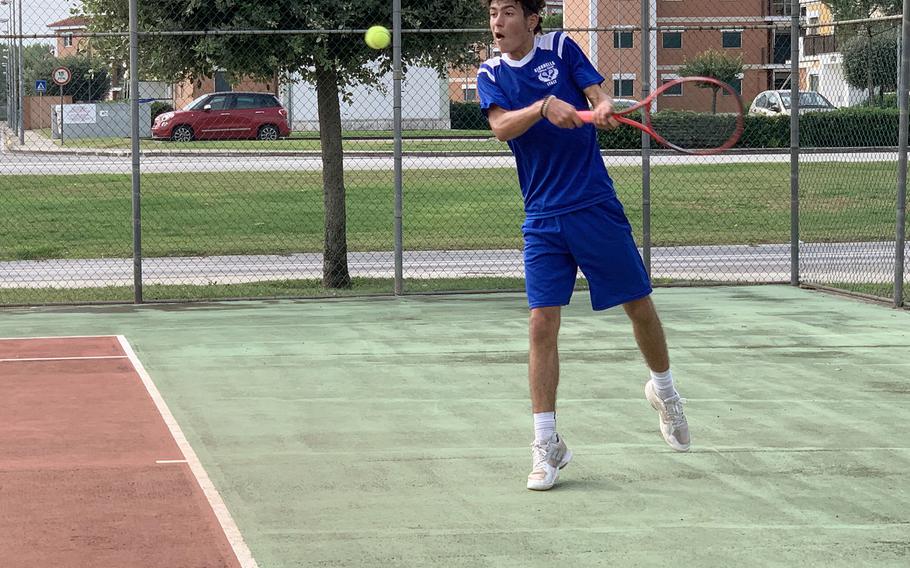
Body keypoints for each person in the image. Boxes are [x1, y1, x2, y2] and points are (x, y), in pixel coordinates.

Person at [478, 0, 690, 491]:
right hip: (542, 218)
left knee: (639, 306)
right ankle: (547, 444)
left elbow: (596, 94)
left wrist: (603, 106)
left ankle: (665, 392)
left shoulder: (561, 47)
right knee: (540, 323)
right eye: (492, 13)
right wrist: (542, 107)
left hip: (593, 205)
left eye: (508, 12)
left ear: (532, 20)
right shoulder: (490, 72)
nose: (497, 22)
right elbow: (500, 127)